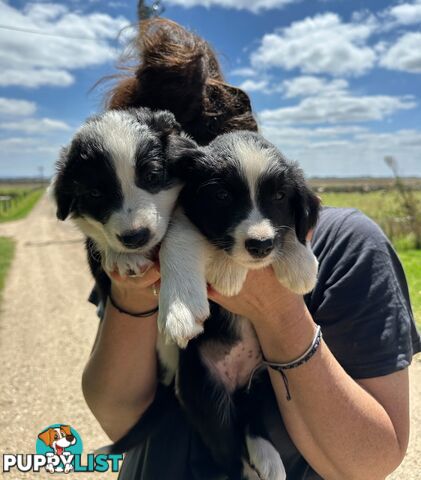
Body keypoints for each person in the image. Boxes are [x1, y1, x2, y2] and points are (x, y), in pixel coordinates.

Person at [82, 19, 421, 480]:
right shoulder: (127, 248)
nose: (140, 223)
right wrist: (135, 294)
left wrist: (279, 312)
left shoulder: (345, 245)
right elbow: (122, 418)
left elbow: (368, 462)